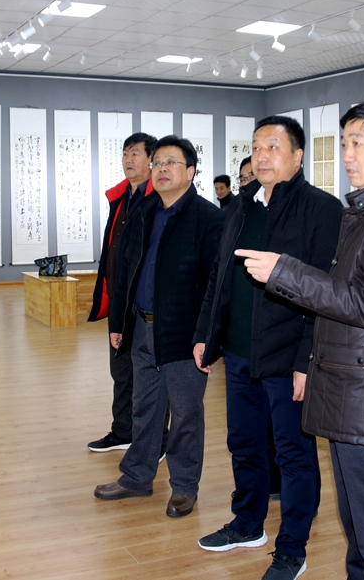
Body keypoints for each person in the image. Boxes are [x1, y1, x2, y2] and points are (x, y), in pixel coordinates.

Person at [238, 101, 364, 580]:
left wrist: (285, 272)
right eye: (344, 142)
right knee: (361, 535)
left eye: (358, 143)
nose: (347, 155)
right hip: (357, 392)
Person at [194, 116, 342, 580]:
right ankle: (247, 524)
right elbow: (219, 276)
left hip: (287, 356)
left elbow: (325, 291)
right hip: (239, 352)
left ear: (298, 156)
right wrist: (205, 334)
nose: (262, 155)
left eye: (273, 147)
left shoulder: (321, 209)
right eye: (257, 147)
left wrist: (307, 361)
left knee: (294, 455)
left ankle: (292, 548)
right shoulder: (241, 206)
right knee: (244, 443)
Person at [95, 136, 224, 518]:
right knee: (144, 407)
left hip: (183, 334)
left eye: (172, 162)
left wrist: (206, 337)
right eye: (158, 163)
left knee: (185, 414)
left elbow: (215, 285)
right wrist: (119, 321)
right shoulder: (144, 212)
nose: (162, 169)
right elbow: (126, 271)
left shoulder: (207, 218)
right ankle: (137, 476)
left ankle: (184, 487)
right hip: (141, 326)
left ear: (191, 172)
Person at [87, 133, 157, 452]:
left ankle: (153, 439)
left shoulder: (158, 200)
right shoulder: (120, 198)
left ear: (151, 160)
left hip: (143, 302)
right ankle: (123, 430)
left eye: (136, 153)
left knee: (148, 375)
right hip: (119, 299)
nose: (129, 159)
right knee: (121, 370)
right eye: (125, 153)